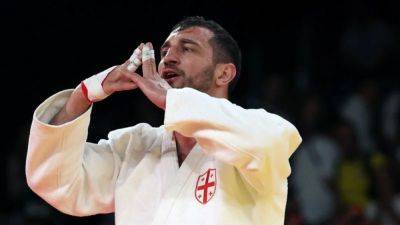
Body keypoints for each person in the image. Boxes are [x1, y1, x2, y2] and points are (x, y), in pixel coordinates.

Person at [25, 16, 302, 225]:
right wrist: (84, 94)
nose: (168, 57)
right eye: (165, 50)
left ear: (223, 74)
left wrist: (173, 103)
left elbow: (269, 142)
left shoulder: (260, 132)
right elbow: (56, 181)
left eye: (187, 48)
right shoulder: (135, 145)